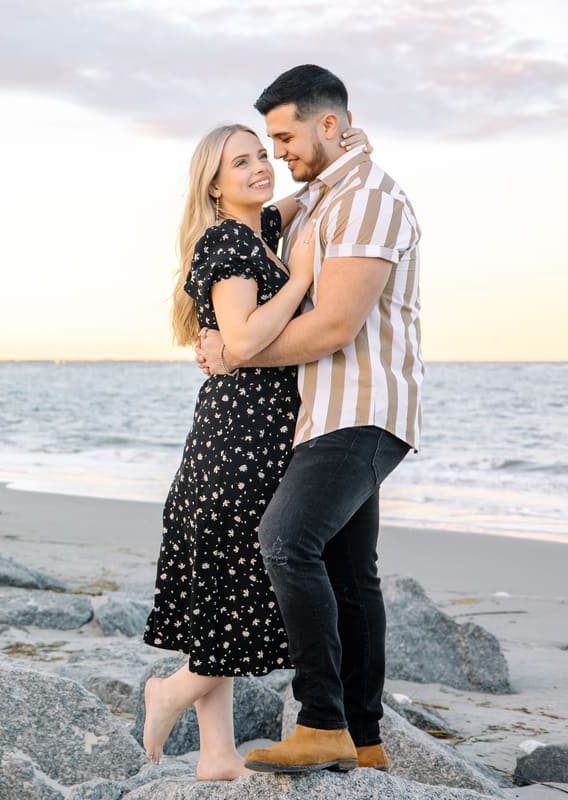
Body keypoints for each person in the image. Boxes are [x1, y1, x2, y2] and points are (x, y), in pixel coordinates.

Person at [196, 64, 423, 774]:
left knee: (286, 539)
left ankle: (321, 721)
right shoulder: (330, 195)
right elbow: (274, 215)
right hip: (325, 412)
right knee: (352, 575)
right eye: (266, 143)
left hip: (362, 408)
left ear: (328, 124)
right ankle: (367, 742)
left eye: (284, 137)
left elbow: (333, 326)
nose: (278, 153)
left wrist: (236, 357)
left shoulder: (371, 201)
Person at [141, 120, 370, 780]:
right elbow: (240, 341)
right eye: (241, 162)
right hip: (237, 444)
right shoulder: (230, 240)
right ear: (214, 185)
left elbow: (318, 192)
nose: (261, 167)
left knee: (220, 592)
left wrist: (351, 153)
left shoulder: (262, 231)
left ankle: (216, 756)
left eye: (263, 155)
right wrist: (300, 282)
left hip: (249, 437)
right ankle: (172, 692)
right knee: (242, 590)